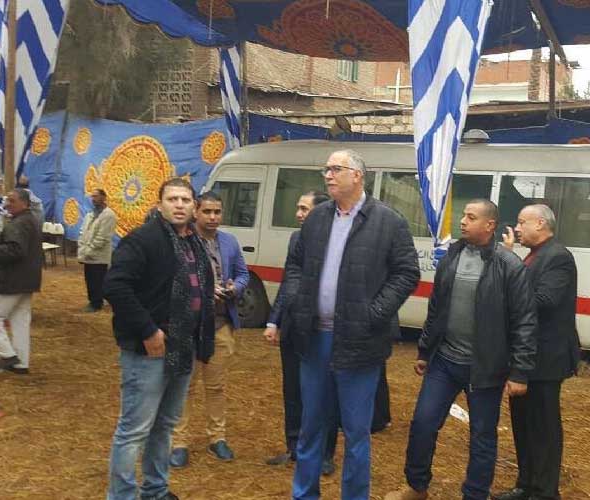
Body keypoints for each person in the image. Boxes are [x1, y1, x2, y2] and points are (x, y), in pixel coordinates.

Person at [286, 150, 420, 500]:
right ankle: (304, 494)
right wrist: (300, 300)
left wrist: (373, 314)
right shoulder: (317, 218)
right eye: (326, 169)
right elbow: (296, 265)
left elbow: (407, 273)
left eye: (336, 169)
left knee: (356, 432)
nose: (328, 175)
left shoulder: (388, 221)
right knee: (311, 427)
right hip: (315, 339)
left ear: (357, 175)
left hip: (360, 343)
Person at [385, 199, 537, 500]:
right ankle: (416, 486)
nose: (463, 221)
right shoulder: (452, 255)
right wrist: (425, 351)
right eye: (464, 216)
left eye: (471, 217)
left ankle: (475, 494)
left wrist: (520, 371)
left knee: (482, 436)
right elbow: (437, 308)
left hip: (485, 368)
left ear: (489, 225)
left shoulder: (509, 265)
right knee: (423, 423)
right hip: (444, 362)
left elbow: (525, 321)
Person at [104, 177, 216, 500]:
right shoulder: (143, 240)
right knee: (134, 429)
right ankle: (122, 495)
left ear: (194, 206)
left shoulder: (194, 243)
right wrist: (148, 330)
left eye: (185, 200)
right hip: (148, 350)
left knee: (165, 425)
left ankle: (155, 489)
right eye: (172, 199)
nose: (179, 205)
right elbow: (115, 287)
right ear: (159, 205)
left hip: (183, 346)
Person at [492, 205, 580, 500]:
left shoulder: (558, 257)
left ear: (540, 223)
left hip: (546, 358)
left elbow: (544, 300)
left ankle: (544, 491)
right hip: (524, 356)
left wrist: (508, 273)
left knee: (543, 427)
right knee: (523, 424)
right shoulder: (533, 256)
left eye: (522, 223)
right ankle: (526, 485)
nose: (517, 229)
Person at [263, 190, 340, 475]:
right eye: (298, 207)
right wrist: (274, 321)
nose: (298, 214)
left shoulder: (338, 239)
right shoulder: (296, 239)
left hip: (323, 331)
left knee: (325, 393)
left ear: (320, 212)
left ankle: (325, 454)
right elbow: (287, 282)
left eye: (304, 209)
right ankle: (294, 447)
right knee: (293, 390)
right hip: (294, 328)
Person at [169, 191, 249, 467]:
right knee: (184, 386)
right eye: (207, 212)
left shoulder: (229, 242)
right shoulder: (183, 242)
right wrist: (203, 290)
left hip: (220, 325)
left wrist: (235, 287)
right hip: (188, 327)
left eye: (217, 212)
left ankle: (217, 438)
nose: (213, 217)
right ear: (196, 212)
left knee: (216, 386)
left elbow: (243, 274)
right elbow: (173, 280)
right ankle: (179, 442)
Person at [0, 188, 43, 375]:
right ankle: (21, 363)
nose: (7, 204)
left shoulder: (18, 223)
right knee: (19, 321)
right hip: (26, 279)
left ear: (25, 203)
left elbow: (14, 251)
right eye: (7, 200)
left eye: (12, 201)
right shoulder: (31, 220)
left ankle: (7, 355)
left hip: (11, 279)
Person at [77, 189, 118, 312]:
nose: (93, 199)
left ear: (104, 198)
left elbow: (102, 237)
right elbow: (83, 231)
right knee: (90, 279)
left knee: (97, 280)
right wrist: (82, 246)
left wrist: (89, 250)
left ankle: (96, 303)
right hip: (87, 253)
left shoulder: (109, 215)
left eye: (96, 196)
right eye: (92, 197)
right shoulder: (90, 214)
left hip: (99, 255)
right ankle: (95, 300)